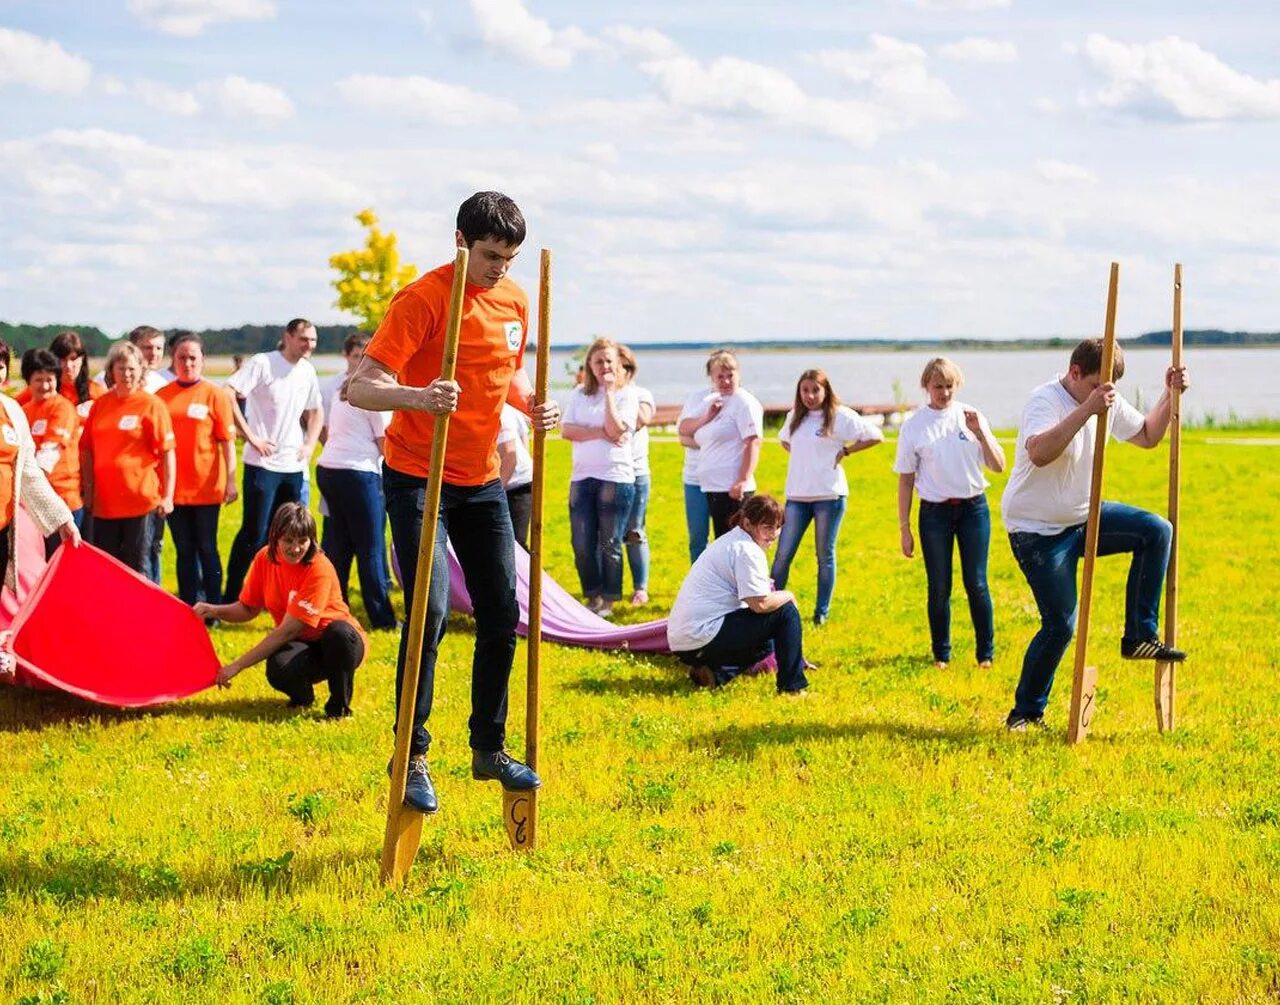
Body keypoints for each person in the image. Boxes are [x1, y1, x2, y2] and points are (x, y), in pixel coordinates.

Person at [347, 191, 561, 814]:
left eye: (511, 258)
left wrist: (530, 403)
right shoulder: (422, 298)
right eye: (492, 255)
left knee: (502, 609)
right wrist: (421, 398)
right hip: (418, 476)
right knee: (430, 612)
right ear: (462, 242)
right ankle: (410, 754)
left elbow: (507, 374)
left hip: (482, 477)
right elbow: (364, 388)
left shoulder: (517, 300)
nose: (500, 268)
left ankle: (488, 747)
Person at [1001, 338, 1189, 731]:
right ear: (1074, 373)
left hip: (1083, 516)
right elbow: (1038, 452)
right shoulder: (1045, 400)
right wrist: (1088, 409)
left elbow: (1148, 436)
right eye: (1094, 386)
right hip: (1036, 529)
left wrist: (1169, 395)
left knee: (1156, 531)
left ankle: (1140, 635)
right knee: (1060, 625)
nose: (1103, 394)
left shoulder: (1107, 397)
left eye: (1108, 388)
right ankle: (1025, 714)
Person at [194, 503, 365, 719]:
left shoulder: (319, 568)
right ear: (275, 538)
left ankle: (339, 708)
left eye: (303, 541)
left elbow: (288, 631)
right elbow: (248, 608)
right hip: (305, 643)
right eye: (288, 541)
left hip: (342, 644)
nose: (295, 548)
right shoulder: (264, 558)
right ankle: (303, 698)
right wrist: (212, 610)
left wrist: (236, 666)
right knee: (278, 668)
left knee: (339, 633)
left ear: (312, 540)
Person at [894, 357, 1004, 668]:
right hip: (934, 514)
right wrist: (905, 527)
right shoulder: (914, 425)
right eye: (938, 386)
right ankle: (941, 654)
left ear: (958, 386)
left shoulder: (971, 417)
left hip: (973, 509)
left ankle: (986, 654)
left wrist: (980, 434)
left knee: (976, 583)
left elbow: (998, 466)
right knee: (939, 584)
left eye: (950, 387)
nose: (944, 393)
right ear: (926, 387)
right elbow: (905, 479)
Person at [772, 369, 884, 626]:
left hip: (829, 497)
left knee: (824, 555)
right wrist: (805, 457)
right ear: (799, 392)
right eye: (805, 390)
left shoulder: (839, 416)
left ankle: (821, 612)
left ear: (825, 391)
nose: (810, 396)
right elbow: (784, 441)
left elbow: (875, 436)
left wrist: (846, 450)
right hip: (797, 497)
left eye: (815, 390)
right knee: (783, 553)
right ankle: (769, 604)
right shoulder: (794, 417)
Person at [222, 319, 323, 602]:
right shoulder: (263, 363)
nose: (309, 346)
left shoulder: (308, 370)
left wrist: (310, 443)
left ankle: (278, 597)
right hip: (262, 464)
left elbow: (316, 411)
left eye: (313, 340)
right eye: (304, 339)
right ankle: (231, 595)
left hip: (294, 465)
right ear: (288, 337)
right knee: (254, 533)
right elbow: (228, 393)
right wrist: (251, 436)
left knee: (288, 536)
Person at [667, 494, 809, 694]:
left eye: (778, 527)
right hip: (700, 637)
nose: (774, 534)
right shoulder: (746, 550)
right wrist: (789, 595)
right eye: (767, 527)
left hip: (683, 642)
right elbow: (760, 605)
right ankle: (792, 688)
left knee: (767, 643)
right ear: (748, 523)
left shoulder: (732, 540)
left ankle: (713, 674)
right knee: (786, 613)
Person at [156, 333, 237, 606]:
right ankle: (190, 605)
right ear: (173, 361)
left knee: (207, 548)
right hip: (173, 490)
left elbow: (227, 443)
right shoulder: (161, 398)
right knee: (184, 551)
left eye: (193, 357)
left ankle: (213, 605)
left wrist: (232, 481)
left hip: (206, 488)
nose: (187, 363)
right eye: (182, 357)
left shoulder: (215, 395)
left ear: (203, 360)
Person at [80, 342, 175, 574]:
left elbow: (167, 452)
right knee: (108, 567)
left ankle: (145, 611)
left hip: (141, 502)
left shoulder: (152, 405)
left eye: (132, 368)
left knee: (139, 566)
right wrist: (88, 489)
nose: (127, 374)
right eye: (121, 368)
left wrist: (168, 496)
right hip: (105, 504)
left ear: (141, 370)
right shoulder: (100, 405)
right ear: (111, 371)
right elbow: (86, 449)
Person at [561, 337, 639, 617]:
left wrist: (608, 392)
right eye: (598, 361)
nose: (604, 366)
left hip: (615, 478)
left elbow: (617, 430)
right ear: (590, 365)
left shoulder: (626, 394)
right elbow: (567, 430)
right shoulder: (579, 394)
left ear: (618, 365)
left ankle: (608, 600)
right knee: (581, 542)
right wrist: (598, 433)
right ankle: (591, 596)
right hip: (582, 477)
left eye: (609, 361)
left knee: (610, 542)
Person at [0, 339, 81, 600]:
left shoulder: (11, 410)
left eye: (0, 366)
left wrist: (61, 518)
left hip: (2, 527)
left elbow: (29, 472)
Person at [315, 376, 396, 630]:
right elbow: (386, 446)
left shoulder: (346, 387)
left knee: (338, 546)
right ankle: (382, 620)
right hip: (359, 474)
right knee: (370, 549)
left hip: (329, 469)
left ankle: (334, 610)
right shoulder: (378, 394)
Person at [679, 349, 763, 538]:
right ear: (712, 378)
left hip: (732, 489)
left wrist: (742, 479)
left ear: (738, 375)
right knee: (721, 544)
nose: (725, 381)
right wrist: (708, 416)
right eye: (720, 377)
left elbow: (753, 442)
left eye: (730, 375)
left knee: (735, 544)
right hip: (713, 487)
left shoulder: (744, 402)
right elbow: (684, 429)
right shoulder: (713, 401)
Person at [20, 349, 84, 558]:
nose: (45, 385)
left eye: (50, 379)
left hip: (62, 502)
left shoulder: (62, 408)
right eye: (39, 379)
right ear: (28, 381)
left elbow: (48, 456)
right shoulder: (23, 410)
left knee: (62, 566)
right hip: (32, 504)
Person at [618, 344, 654, 606]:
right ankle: (608, 589)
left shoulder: (640, 394)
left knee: (634, 531)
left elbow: (641, 419)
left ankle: (640, 587)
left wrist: (623, 394)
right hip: (610, 473)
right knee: (606, 536)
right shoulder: (601, 394)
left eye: (623, 366)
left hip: (636, 472)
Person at [497, 402, 534, 548]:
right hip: (508, 478)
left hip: (516, 481)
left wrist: (493, 494)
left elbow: (509, 457)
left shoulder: (502, 410)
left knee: (514, 543)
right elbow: (525, 441)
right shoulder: (510, 406)